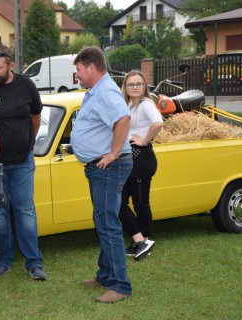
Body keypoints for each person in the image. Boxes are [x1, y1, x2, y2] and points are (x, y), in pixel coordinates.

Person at [0, 45, 47, 281]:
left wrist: (29, 143)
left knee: (25, 211)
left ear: (11, 66)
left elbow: (36, 116)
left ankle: (34, 263)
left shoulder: (26, 86)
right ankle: (4, 261)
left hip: (23, 161)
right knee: (0, 215)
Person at [70, 46, 133, 303]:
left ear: (92, 67)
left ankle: (119, 286)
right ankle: (106, 276)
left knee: (107, 224)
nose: (77, 75)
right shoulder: (95, 92)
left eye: (79, 70)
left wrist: (114, 153)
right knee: (104, 221)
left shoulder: (106, 91)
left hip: (108, 167)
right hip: (101, 167)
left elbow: (123, 119)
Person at [119, 70, 163, 261]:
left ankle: (143, 241)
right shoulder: (129, 105)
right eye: (131, 84)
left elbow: (158, 122)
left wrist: (144, 140)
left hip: (141, 158)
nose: (135, 87)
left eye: (138, 84)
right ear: (126, 87)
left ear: (144, 86)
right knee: (119, 202)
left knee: (140, 203)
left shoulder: (146, 104)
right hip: (131, 158)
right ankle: (140, 241)